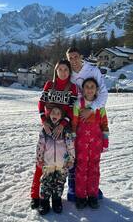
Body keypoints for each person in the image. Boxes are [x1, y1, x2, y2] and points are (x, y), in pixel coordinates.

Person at [30, 60, 78, 210]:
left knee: (59, 165)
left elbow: (72, 108)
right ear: (56, 71)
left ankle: (56, 198)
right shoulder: (49, 85)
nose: (63, 72)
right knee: (43, 163)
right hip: (49, 125)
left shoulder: (73, 88)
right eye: (60, 69)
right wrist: (44, 120)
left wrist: (64, 124)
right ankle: (35, 195)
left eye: (66, 69)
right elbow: (41, 103)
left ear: (69, 72)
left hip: (63, 128)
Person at [66, 47, 108, 201]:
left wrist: (91, 109)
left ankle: (92, 187)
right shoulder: (68, 72)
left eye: (76, 57)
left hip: (92, 114)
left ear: (81, 57)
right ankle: (73, 186)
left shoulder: (92, 70)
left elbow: (103, 93)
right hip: (73, 114)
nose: (73, 60)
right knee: (74, 152)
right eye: (70, 58)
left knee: (91, 157)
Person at [72, 77, 109, 210]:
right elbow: (74, 124)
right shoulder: (78, 104)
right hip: (81, 143)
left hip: (96, 143)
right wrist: (72, 141)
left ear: (96, 90)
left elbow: (104, 124)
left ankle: (92, 195)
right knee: (81, 169)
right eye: (86, 86)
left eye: (92, 86)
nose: (89, 89)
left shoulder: (100, 106)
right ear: (83, 89)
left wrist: (105, 140)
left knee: (94, 169)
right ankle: (80, 197)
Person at [36, 106, 75, 215]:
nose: (55, 115)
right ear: (49, 114)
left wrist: (71, 159)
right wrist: (39, 158)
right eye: (53, 112)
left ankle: (56, 200)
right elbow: (40, 145)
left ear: (62, 116)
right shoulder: (45, 129)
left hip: (62, 164)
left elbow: (70, 146)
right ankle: (44, 201)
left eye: (58, 113)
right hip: (48, 163)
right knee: (46, 183)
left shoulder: (66, 130)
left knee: (59, 183)